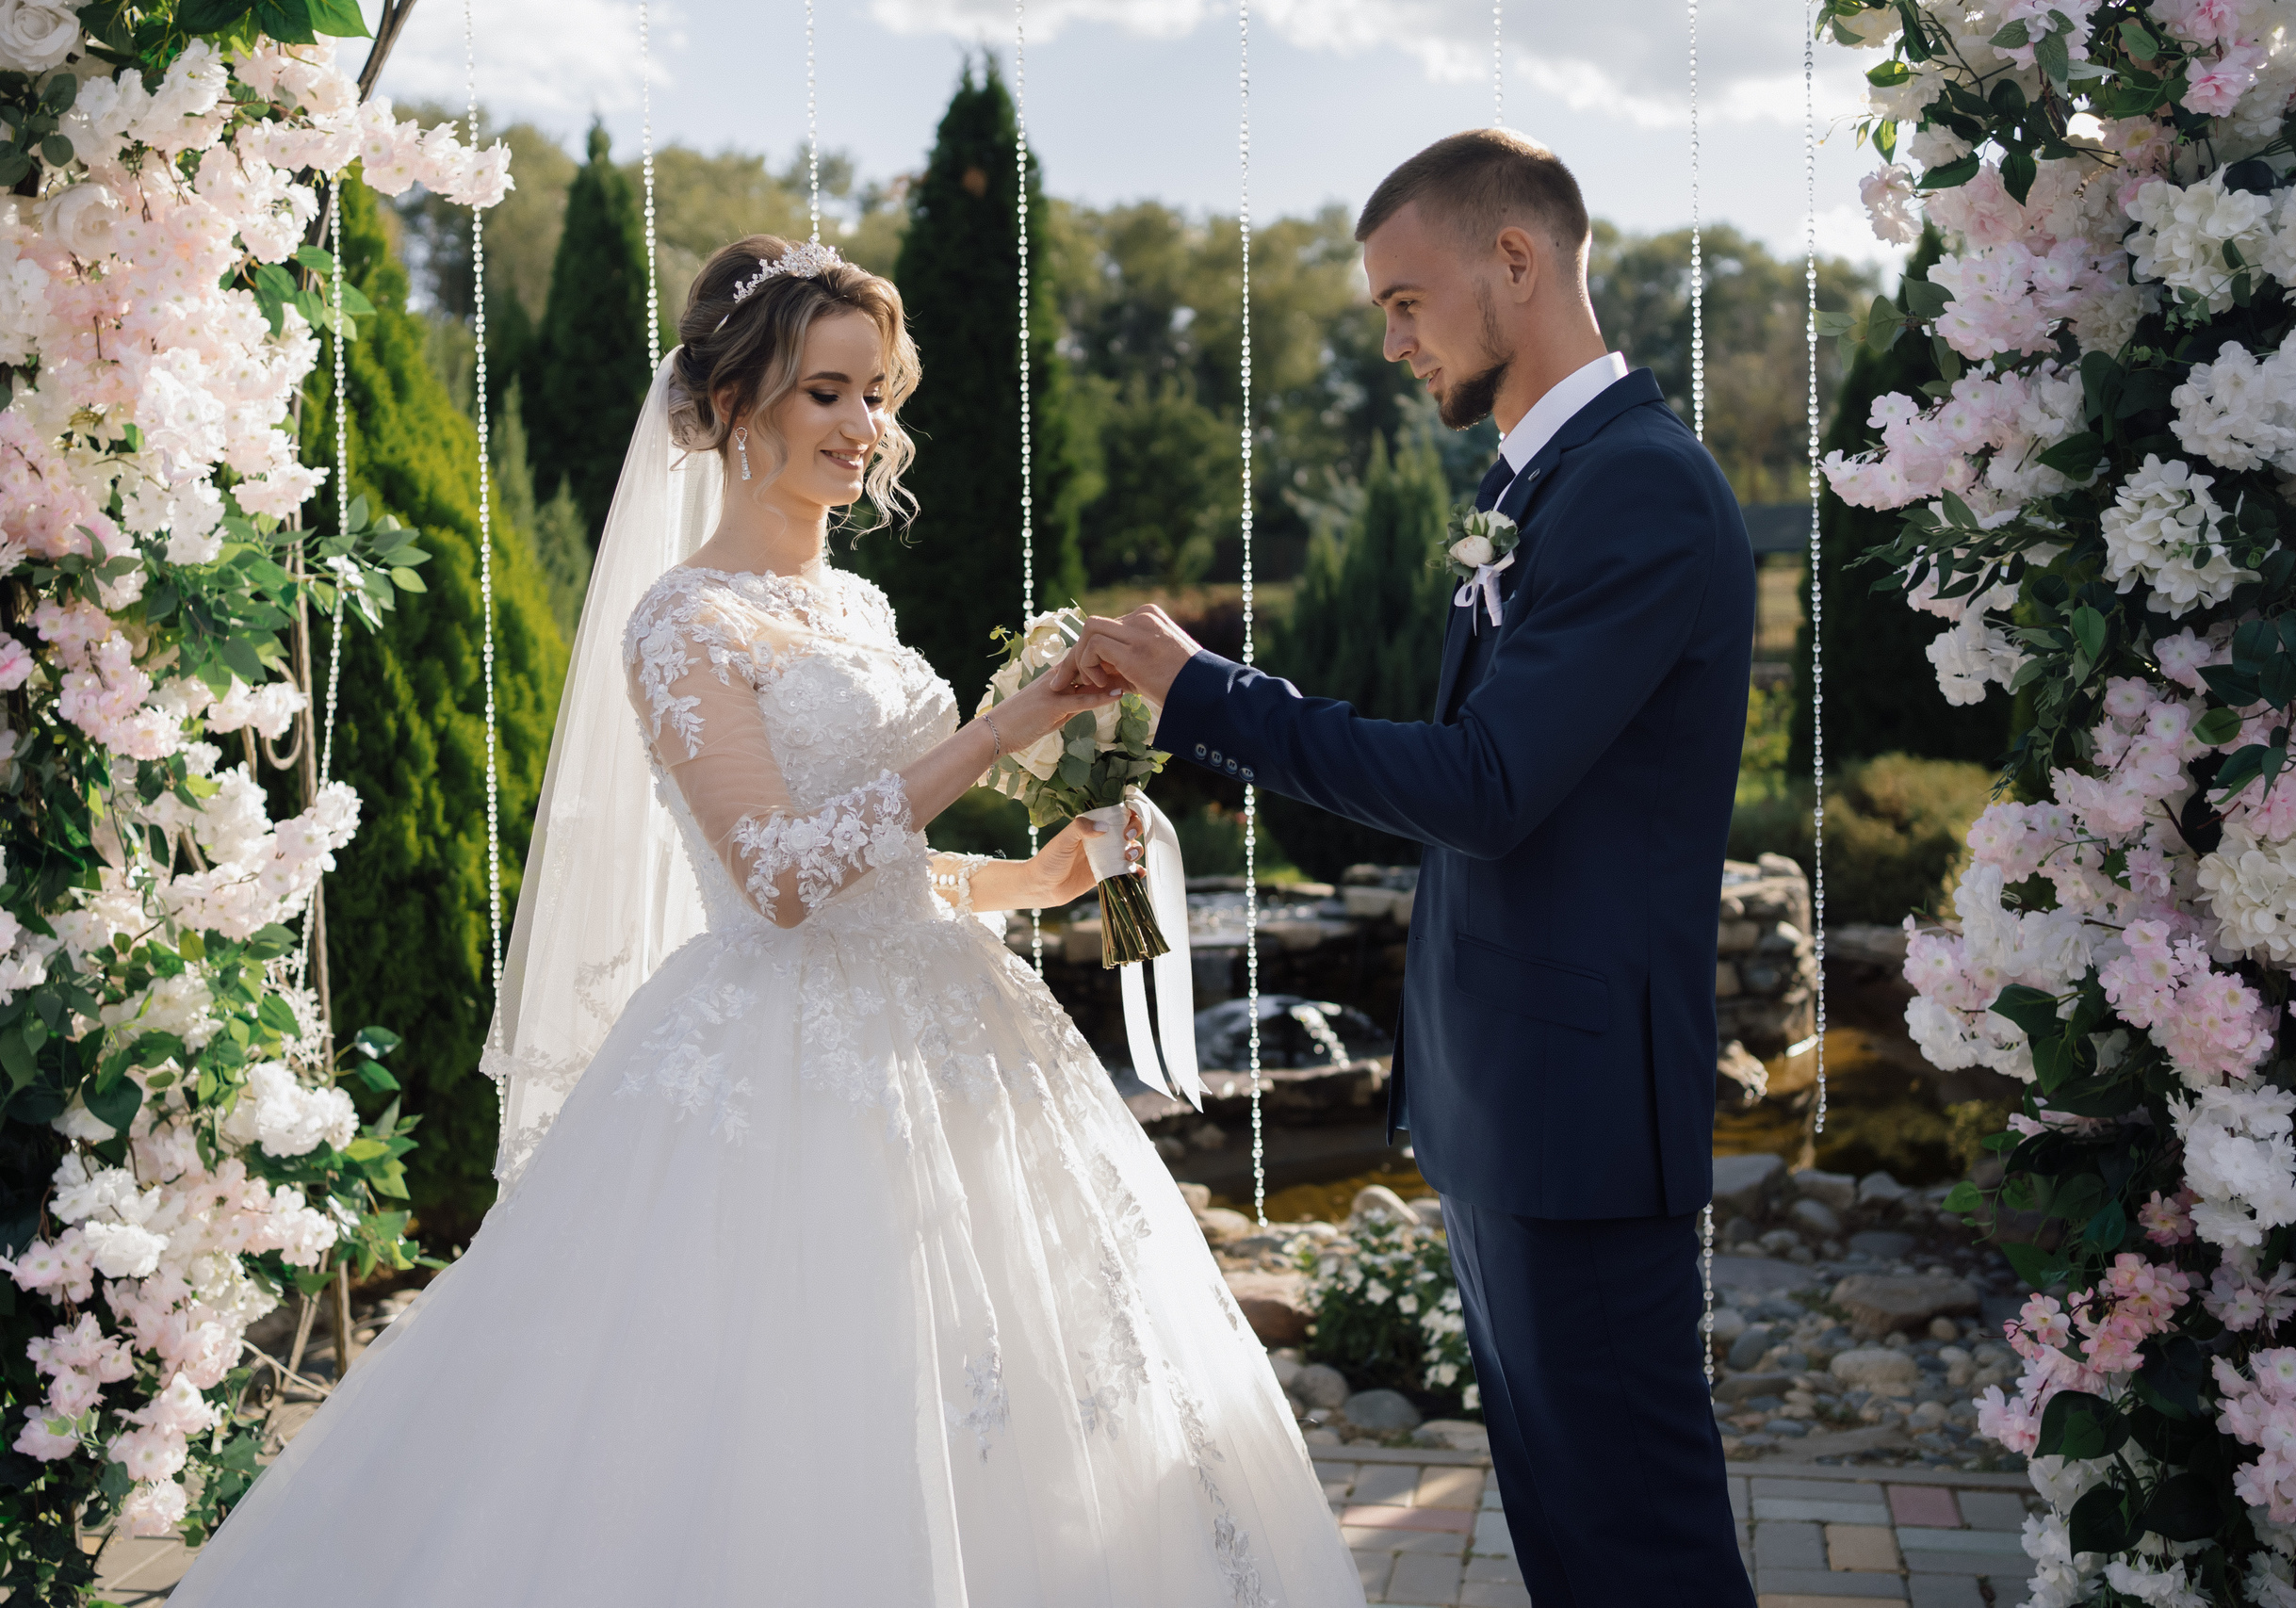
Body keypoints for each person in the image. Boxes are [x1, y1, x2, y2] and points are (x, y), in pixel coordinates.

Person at [167, 236, 1363, 1608]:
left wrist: (1034, 882)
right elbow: (779, 880)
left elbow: (878, 863)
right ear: (731, 404)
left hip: (947, 1029)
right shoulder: (683, 627)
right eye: (827, 394)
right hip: (780, 1064)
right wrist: (998, 730)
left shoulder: (854, 602)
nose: (866, 428)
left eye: (877, 394)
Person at [1059, 131, 1757, 1604]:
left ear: (1516, 261)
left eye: (1403, 300)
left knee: (1640, 1542)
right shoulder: (1549, 478)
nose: (1391, 340)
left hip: (1582, 1122)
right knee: (1575, 1532)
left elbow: (1490, 788)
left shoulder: (1637, 485)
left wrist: (1213, 698)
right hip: (1510, 1104)